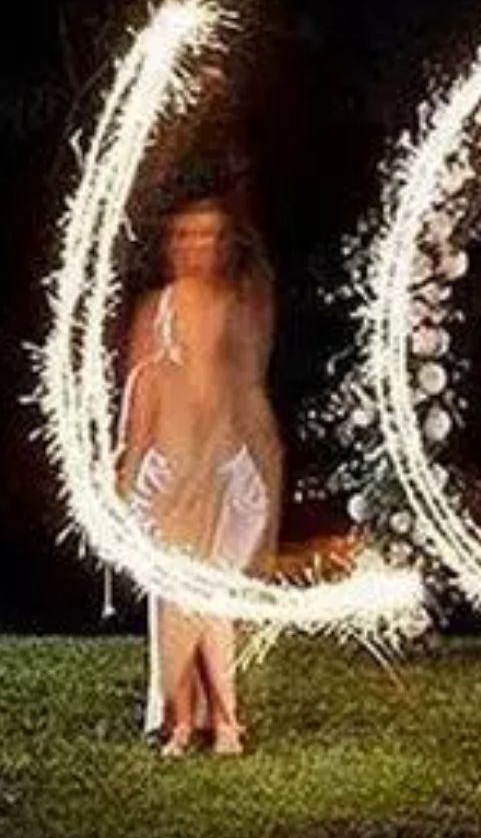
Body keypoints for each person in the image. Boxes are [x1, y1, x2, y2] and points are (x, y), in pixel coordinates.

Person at [118, 192, 282, 757]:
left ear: (222, 245)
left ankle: (226, 720)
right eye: (185, 235)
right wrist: (126, 485)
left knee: (210, 595)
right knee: (176, 599)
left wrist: (261, 469)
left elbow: (245, 398)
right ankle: (183, 719)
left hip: (224, 478)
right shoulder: (156, 309)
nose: (195, 247)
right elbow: (139, 408)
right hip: (167, 479)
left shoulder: (234, 310)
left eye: (208, 235)